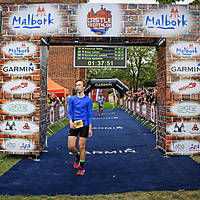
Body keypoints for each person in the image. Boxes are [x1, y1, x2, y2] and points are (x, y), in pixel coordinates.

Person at [67, 79, 93, 176]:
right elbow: (69, 112)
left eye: (79, 85)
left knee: (81, 146)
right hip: (74, 124)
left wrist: (90, 128)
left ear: (83, 87)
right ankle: (77, 156)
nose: (77, 87)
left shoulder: (88, 100)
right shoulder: (72, 99)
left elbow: (90, 114)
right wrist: (70, 122)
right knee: (71, 147)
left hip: (84, 125)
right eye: (76, 85)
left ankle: (81, 166)